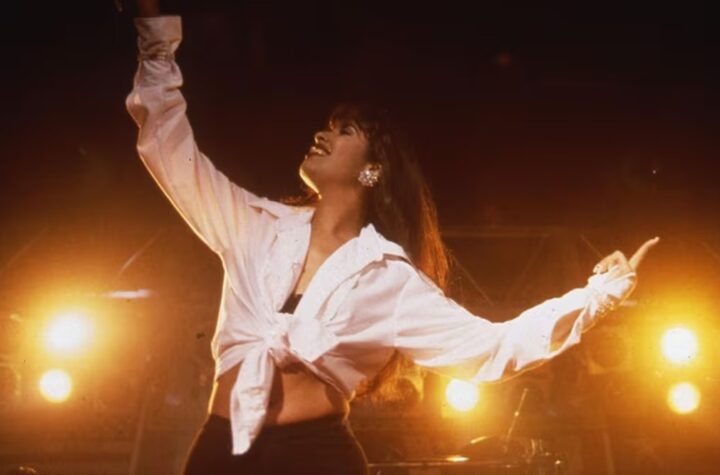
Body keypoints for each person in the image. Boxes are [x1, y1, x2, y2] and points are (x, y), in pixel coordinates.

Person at [125, 1, 660, 473]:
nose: (322, 133)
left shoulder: (388, 278)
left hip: (314, 458)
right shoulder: (254, 226)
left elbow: (492, 348)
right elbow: (168, 148)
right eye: (327, 125)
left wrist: (598, 296)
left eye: (344, 130)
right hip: (223, 450)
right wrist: (155, 34)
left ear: (372, 171)